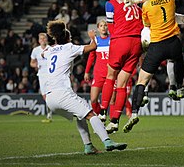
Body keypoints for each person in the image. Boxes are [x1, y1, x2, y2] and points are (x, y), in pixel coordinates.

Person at [43, 20, 127, 154]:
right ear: (66, 37)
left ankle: (88, 146)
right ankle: (107, 141)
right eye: (69, 37)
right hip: (62, 93)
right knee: (91, 114)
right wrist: (92, 36)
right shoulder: (69, 47)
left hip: (49, 98)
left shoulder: (49, 51)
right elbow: (93, 47)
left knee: (80, 115)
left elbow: (43, 53)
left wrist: (49, 48)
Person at [122, 0, 184, 133]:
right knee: (178, 59)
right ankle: (178, 88)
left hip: (157, 45)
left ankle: (134, 113)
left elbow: (147, 25)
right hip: (173, 43)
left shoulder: (147, 5)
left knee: (142, 81)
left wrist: (137, 0)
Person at [99, 0, 143, 134]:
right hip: (137, 43)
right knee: (122, 83)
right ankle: (115, 121)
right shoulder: (134, 3)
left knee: (111, 76)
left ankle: (103, 111)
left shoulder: (110, 4)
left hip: (121, 41)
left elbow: (111, 28)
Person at [84, 19, 133, 118]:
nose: (104, 27)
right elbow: (91, 57)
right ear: (98, 28)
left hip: (111, 74)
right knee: (93, 99)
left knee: (112, 99)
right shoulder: (95, 41)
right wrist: (86, 71)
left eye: (105, 25)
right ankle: (99, 118)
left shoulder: (112, 39)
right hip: (98, 74)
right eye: (101, 26)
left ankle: (111, 122)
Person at [30, 32, 53, 123]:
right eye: (41, 38)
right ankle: (50, 113)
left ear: (47, 39)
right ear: (39, 40)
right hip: (41, 75)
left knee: (51, 94)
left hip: (51, 75)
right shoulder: (36, 50)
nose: (43, 40)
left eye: (44, 38)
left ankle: (49, 115)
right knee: (45, 96)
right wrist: (35, 64)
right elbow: (31, 63)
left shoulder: (51, 49)